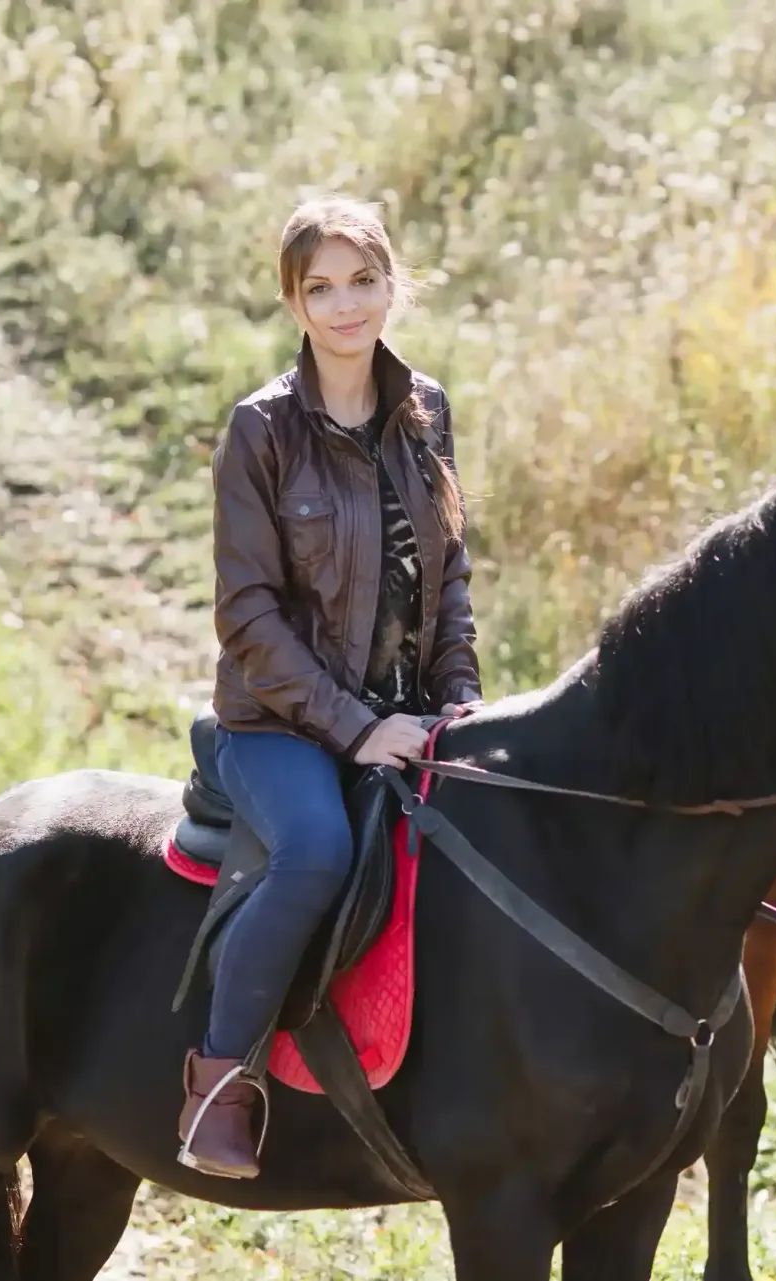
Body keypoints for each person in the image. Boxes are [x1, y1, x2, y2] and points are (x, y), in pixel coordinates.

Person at [179, 196, 484, 1178]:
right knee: (313, 851)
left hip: (409, 710)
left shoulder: (424, 407)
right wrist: (357, 731)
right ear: (295, 302)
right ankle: (220, 1078)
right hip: (281, 723)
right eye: (322, 288)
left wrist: (463, 701)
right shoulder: (261, 429)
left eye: (363, 281)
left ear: (393, 284)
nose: (347, 305)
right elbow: (248, 619)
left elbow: (451, 578)